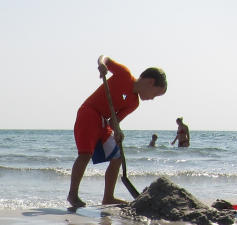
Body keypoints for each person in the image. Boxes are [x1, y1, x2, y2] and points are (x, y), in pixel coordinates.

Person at [67, 56, 167, 208]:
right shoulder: (124, 75)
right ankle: (73, 195)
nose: (153, 99)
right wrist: (102, 65)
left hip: (103, 122)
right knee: (85, 154)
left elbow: (114, 121)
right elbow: (104, 58)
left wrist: (118, 132)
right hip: (89, 113)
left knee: (117, 157)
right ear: (150, 82)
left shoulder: (134, 103)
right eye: (155, 94)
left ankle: (108, 197)